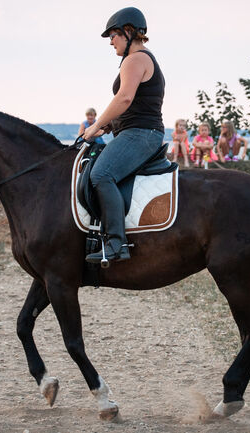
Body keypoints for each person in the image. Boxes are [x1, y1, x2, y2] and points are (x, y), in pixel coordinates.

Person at [82, 7, 168, 264]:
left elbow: (125, 97)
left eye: (113, 35)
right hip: (136, 131)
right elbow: (133, 103)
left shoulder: (136, 59)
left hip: (142, 134)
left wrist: (95, 126)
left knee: (101, 174)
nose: (111, 41)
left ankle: (116, 244)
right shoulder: (138, 59)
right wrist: (112, 125)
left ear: (128, 32)